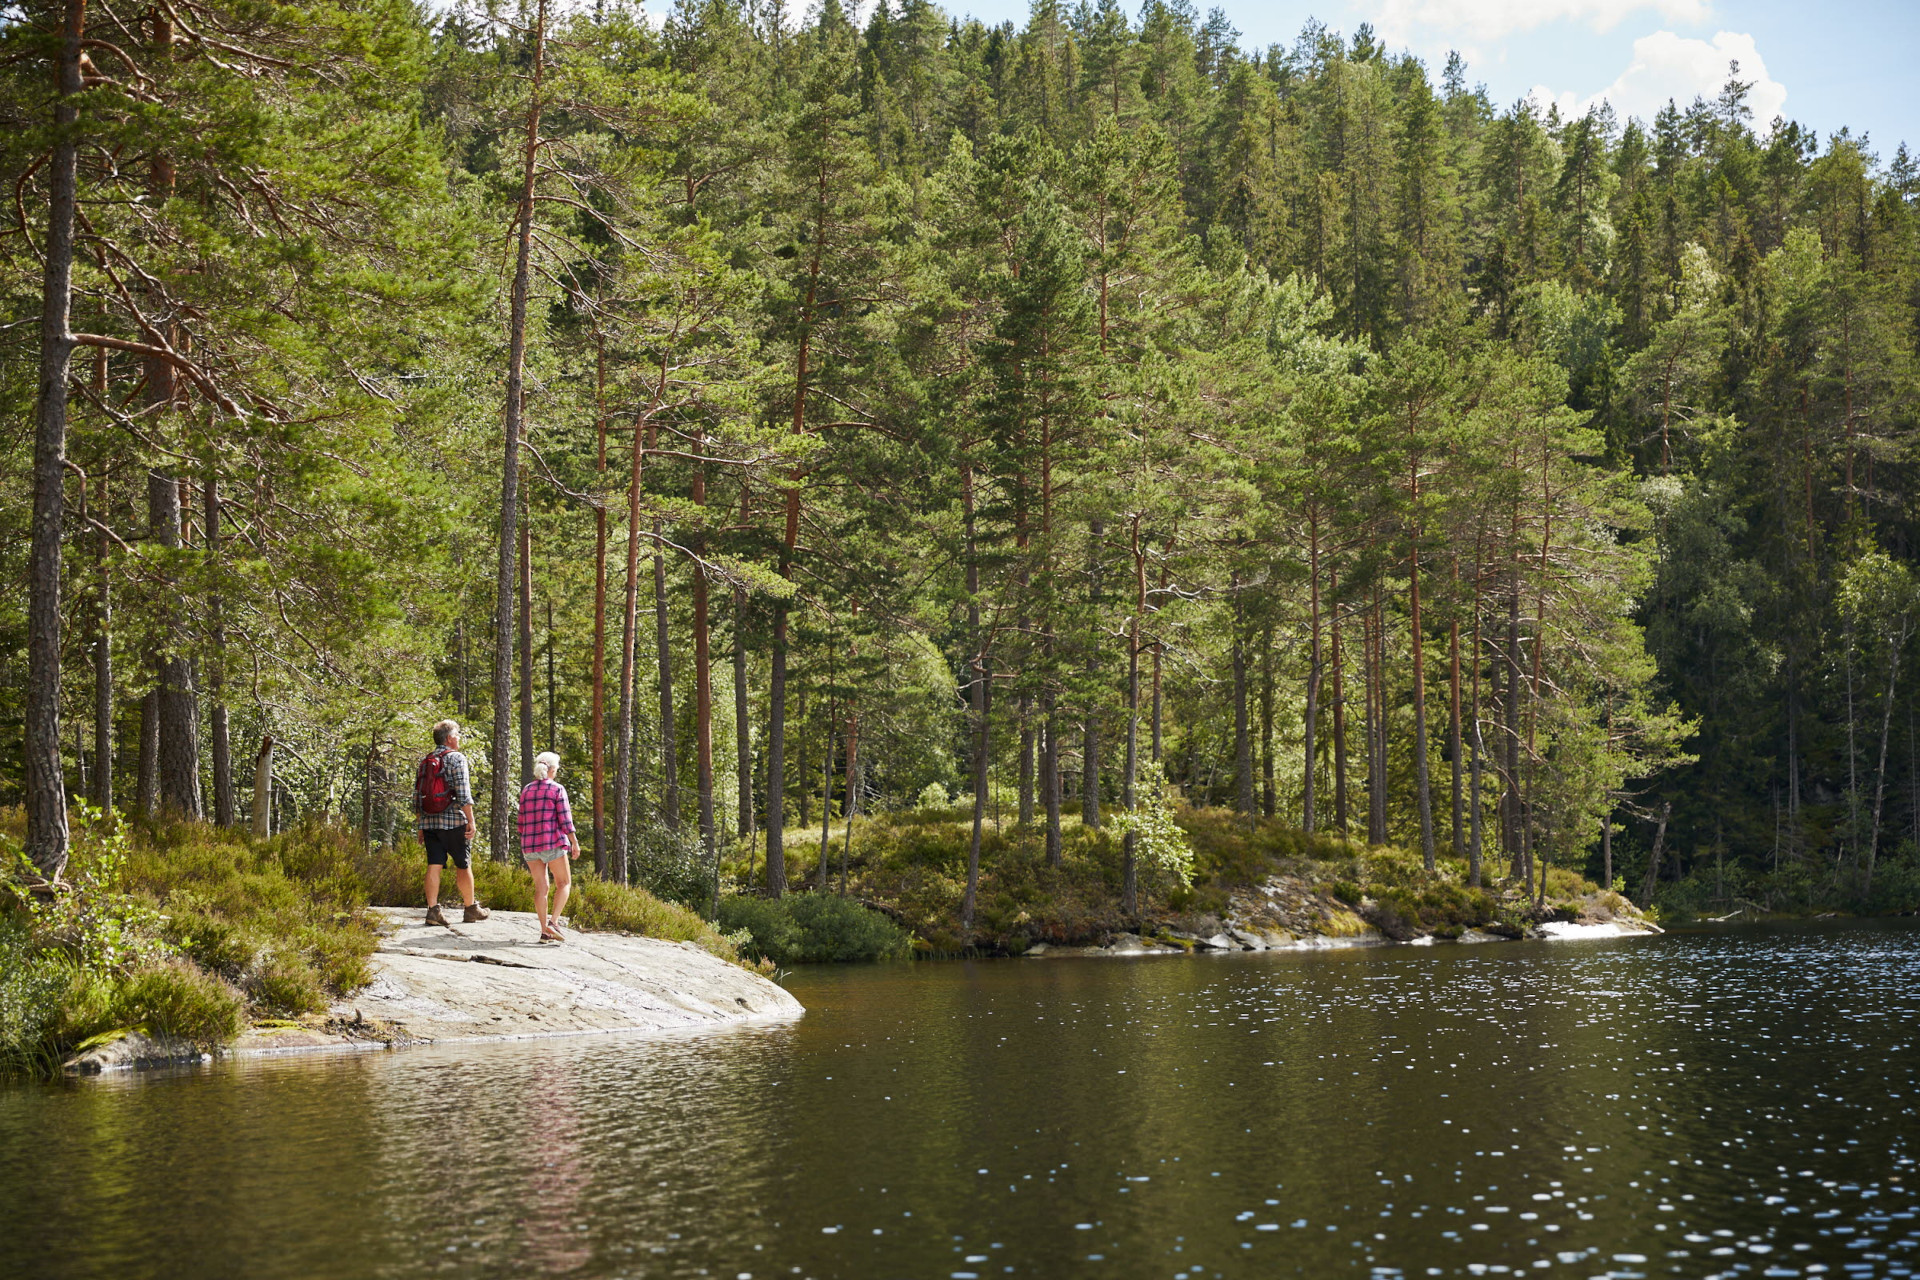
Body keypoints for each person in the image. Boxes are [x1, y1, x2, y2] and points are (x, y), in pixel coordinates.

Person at [416, 719, 488, 926]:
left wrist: (421, 825)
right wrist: (470, 820)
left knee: (434, 865)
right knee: (463, 865)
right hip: (454, 820)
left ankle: (432, 911)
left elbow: (417, 796)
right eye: (457, 734)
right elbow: (463, 793)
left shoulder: (425, 760)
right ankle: (470, 908)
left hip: (430, 822)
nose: (459, 738)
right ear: (449, 738)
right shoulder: (456, 758)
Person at [518, 751, 581, 942]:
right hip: (552, 843)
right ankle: (553, 922)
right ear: (552, 769)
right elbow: (565, 820)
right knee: (564, 883)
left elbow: (521, 822)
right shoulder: (557, 789)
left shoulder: (526, 790)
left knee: (541, 888)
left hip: (530, 846)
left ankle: (544, 931)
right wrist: (574, 842)